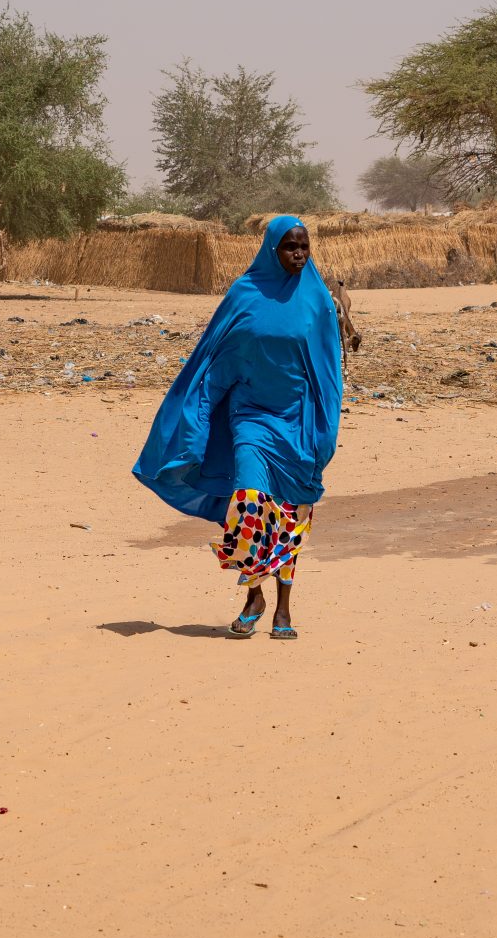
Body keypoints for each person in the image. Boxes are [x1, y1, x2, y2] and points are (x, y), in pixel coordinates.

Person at [131, 216, 343, 640]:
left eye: (304, 246)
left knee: (287, 513)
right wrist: (195, 420)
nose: (299, 254)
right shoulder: (244, 294)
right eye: (289, 247)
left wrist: (324, 429)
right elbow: (216, 361)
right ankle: (253, 596)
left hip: (298, 421)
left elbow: (328, 372)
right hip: (251, 420)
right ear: (271, 249)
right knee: (248, 505)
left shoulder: (318, 299)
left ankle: (283, 608)